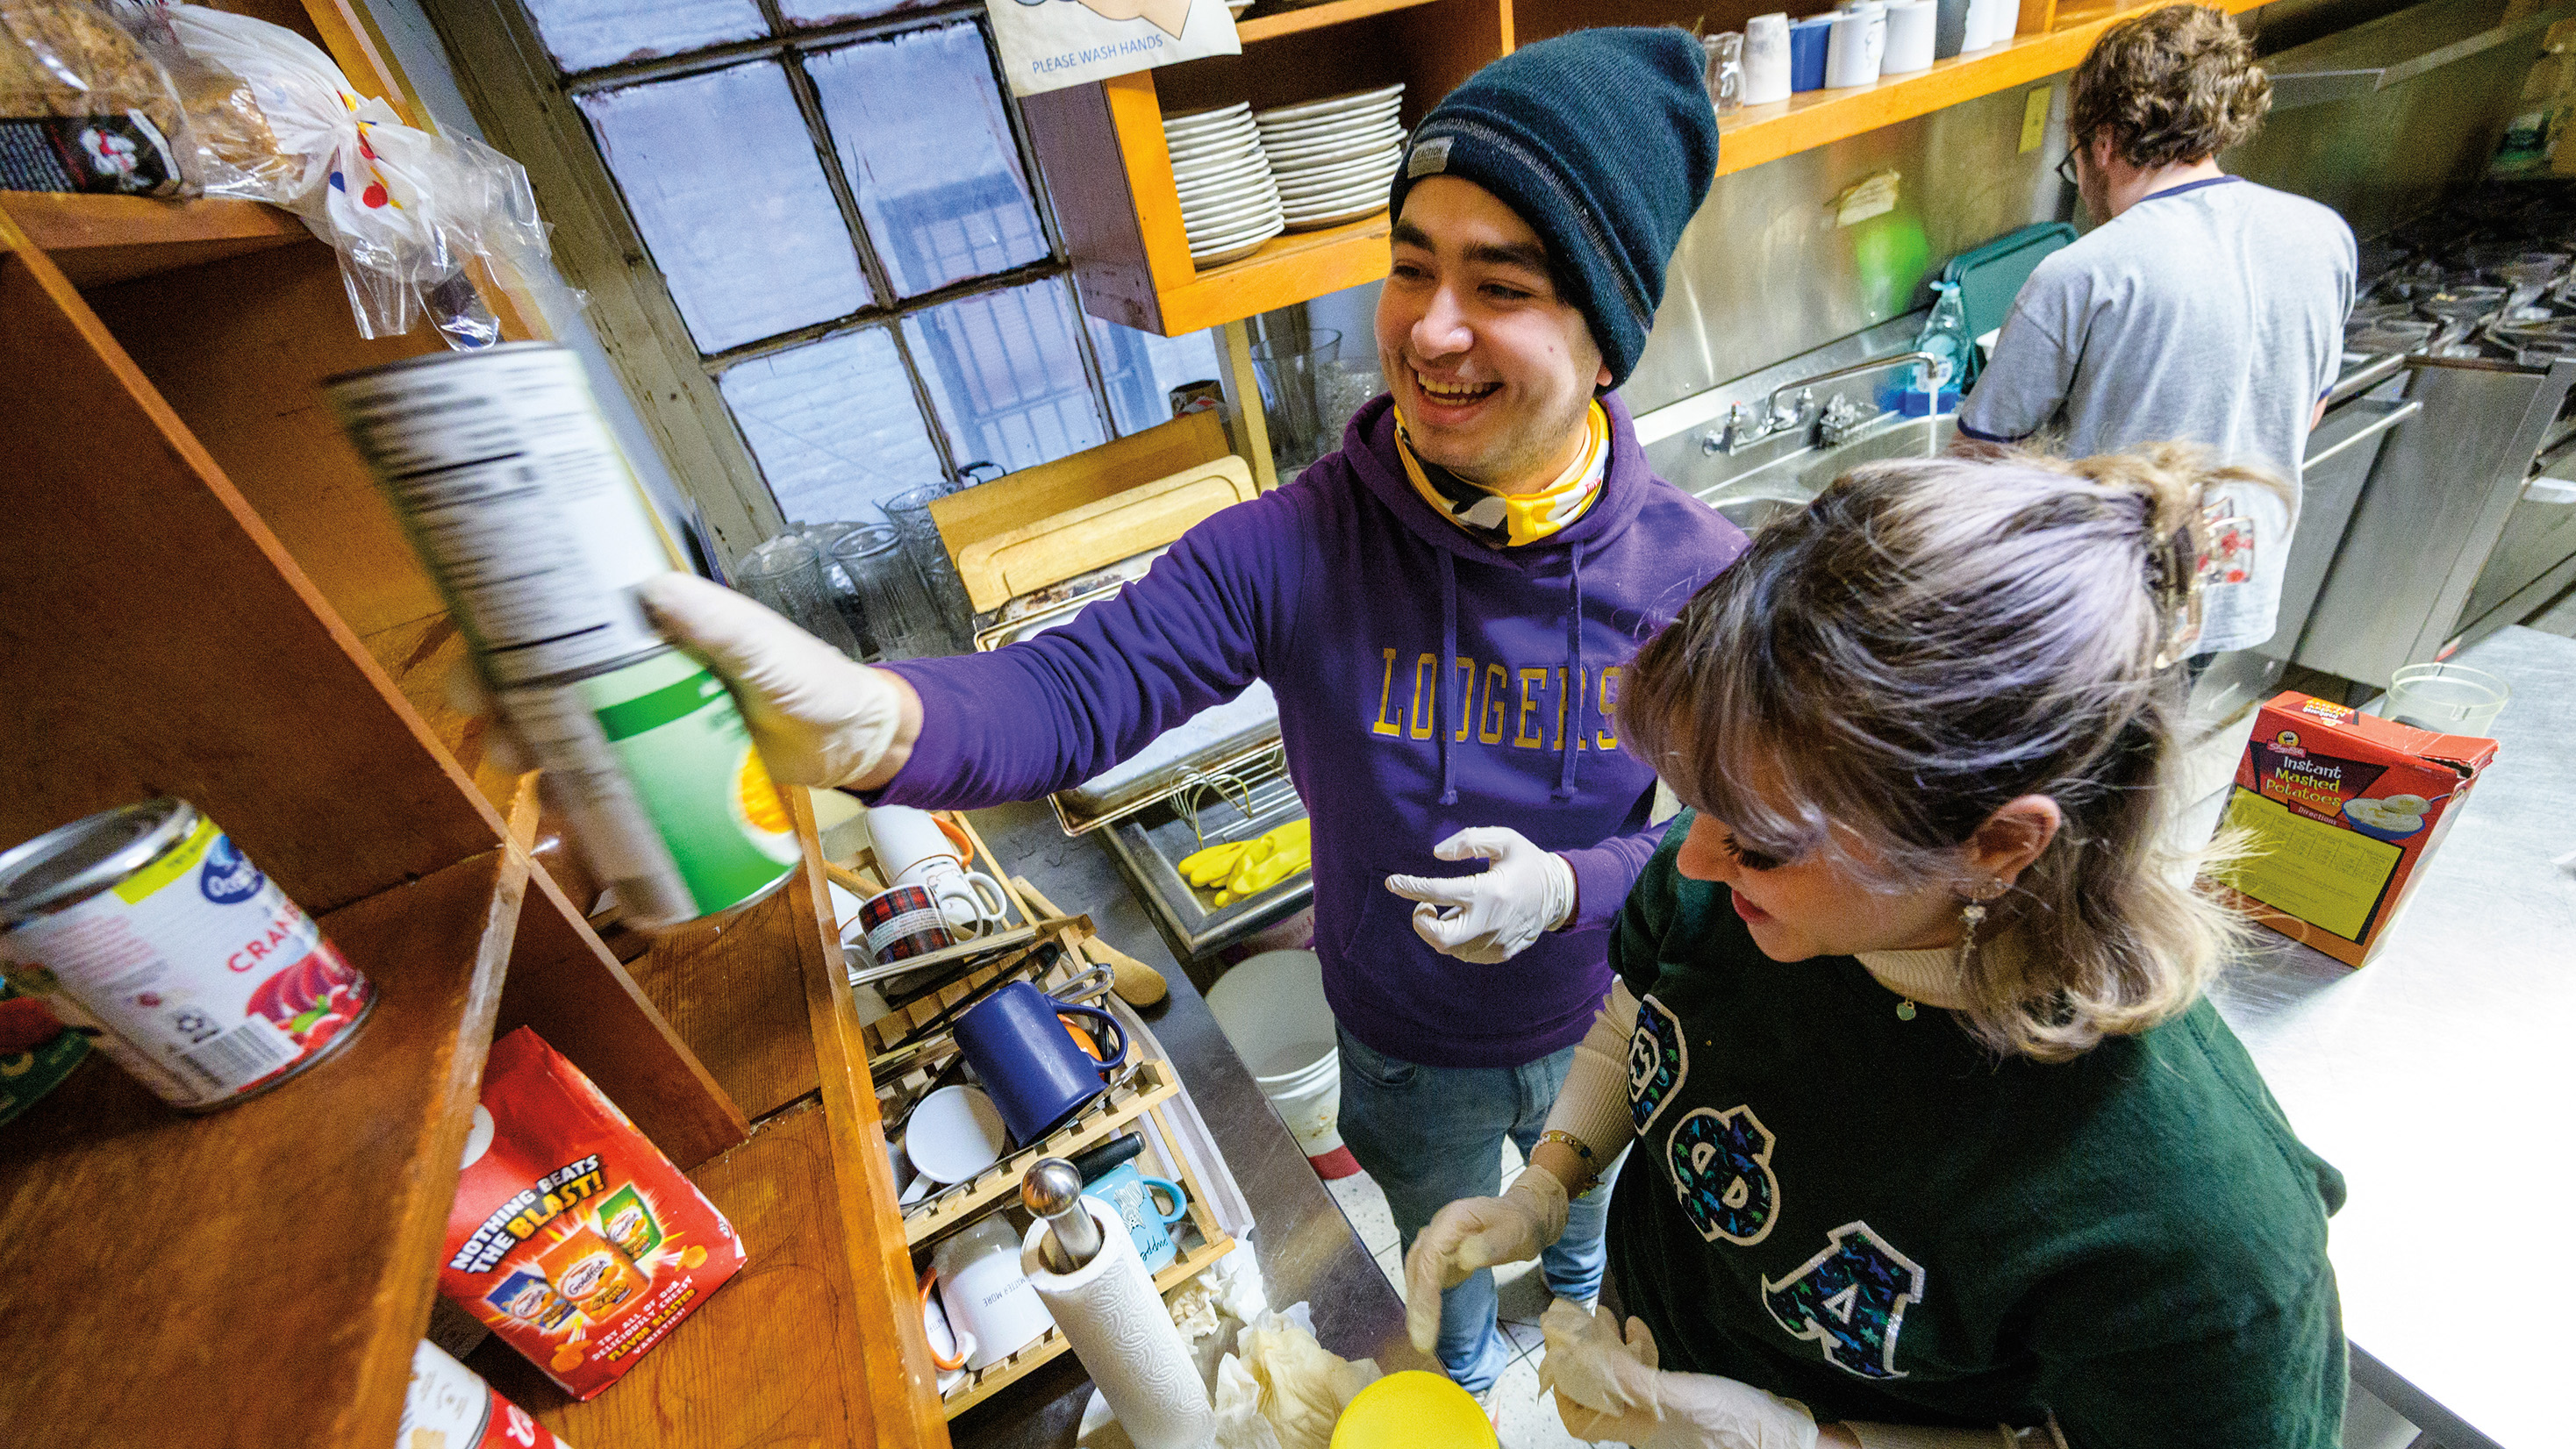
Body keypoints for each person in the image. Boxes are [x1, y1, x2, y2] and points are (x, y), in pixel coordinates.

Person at [632, 28, 1744, 1397]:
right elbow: (1078, 686)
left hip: (1602, 1019)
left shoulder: (1699, 576)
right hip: (1400, 1045)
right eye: (1411, 267)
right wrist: (881, 728)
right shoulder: (1299, 544)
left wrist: (1570, 891)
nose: (1431, 329)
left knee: (1576, 1229)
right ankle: (1463, 1371)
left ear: (1605, 332)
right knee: (1443, 1260)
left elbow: (1734, 844)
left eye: (1500, 286)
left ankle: (1567, 1294)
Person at [1403, 446, 2348, 1447]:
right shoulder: (1739, 880)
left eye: (1761, 840)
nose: (1695, 860)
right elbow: (1643, 1007)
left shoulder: (2187, 1233)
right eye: (1700, 804)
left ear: (1994, 843)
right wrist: (1551, 1178)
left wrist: (1808, 1442)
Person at [1958, 4, 2355, 660]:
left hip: (2106, 601)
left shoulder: (2084, 271)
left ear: (2104, 142)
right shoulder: (2323, 235)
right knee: (2156, 750)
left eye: (2078, 156)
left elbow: (1978, 467)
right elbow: (2307, 411)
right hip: (2232, 581)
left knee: (2085, 760)